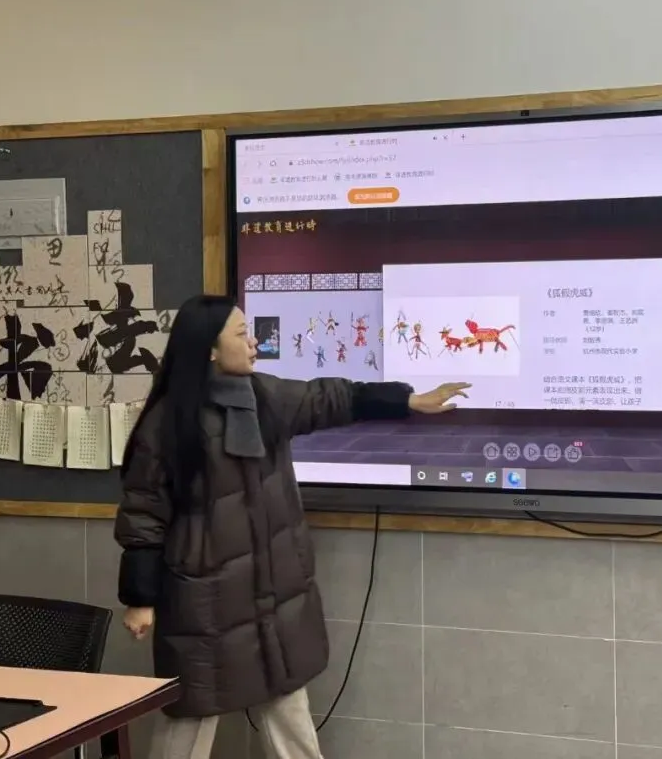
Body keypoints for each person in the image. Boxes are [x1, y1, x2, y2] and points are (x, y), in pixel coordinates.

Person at [114, 295, 468, 759]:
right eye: (242, 334)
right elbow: (144, 514)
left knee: (287, 706)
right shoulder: (166, 424)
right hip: (204, 603)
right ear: (210, 350)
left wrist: (408, 400)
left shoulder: (265, 397)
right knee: (193, 711)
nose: (254, 343)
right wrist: (141, 598)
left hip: (273, 594)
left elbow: (331, 398)